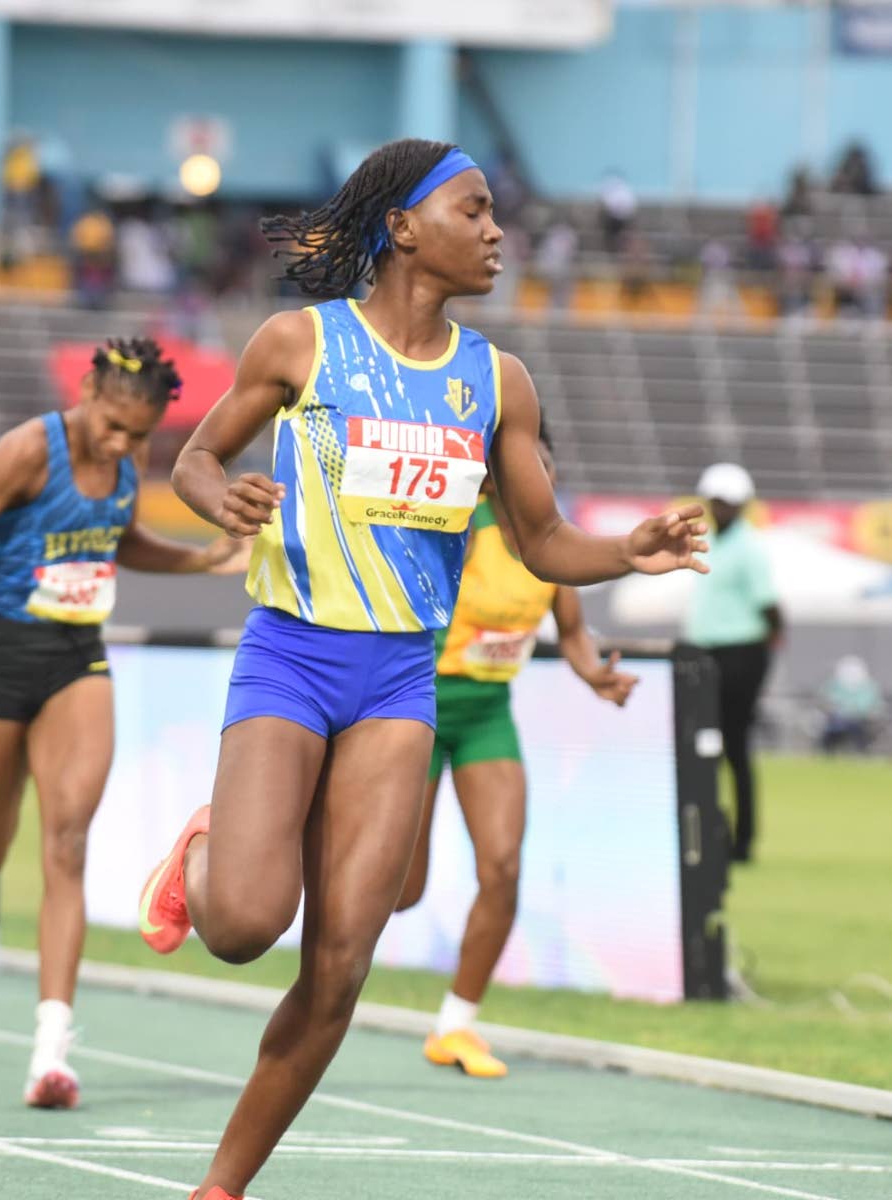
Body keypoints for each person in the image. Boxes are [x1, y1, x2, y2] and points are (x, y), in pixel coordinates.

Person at [138, 139, 708, 1200]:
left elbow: (542, 542)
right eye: (474, 210)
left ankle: (220, 1188)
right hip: (292, 655)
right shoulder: (297, 343)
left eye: (495, 215)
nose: (497, 232)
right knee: (245, 927)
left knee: (343, 962)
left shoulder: (498, 382)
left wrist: (625, 550)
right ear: (401, 226)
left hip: (401, 678)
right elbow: (193, 457)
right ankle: (205, 854)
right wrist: (214, 495)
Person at [0, 338, 248, 1109]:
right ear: (86, 394)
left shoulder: (130, 461)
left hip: (78, 658)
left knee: (68, 842)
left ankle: (52, 1053)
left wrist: (199, 559)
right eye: (113, 427)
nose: (123, 445)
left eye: (139, 436)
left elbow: (118, 542)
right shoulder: (26, 452)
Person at [396, 429, 639, 1078]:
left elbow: (574, 635)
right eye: (530, 478)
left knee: (501, 866)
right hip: (417, 706)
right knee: (401, 891)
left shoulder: (552, 552)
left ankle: (455, 1027)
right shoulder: (463, 530)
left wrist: (595, 676)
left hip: (486, 717)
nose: (543, 491)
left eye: (550, 476)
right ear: (495, 482)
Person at [686, 463, 782, 864]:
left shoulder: (750, 547)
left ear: (740, 506)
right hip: (706, 655)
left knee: (735, 747)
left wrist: (760, 663)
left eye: (727, 503)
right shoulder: (714, 543)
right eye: (716, 502)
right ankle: (712, 831)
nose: (720, 509)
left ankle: (742, 841)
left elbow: (772, 610)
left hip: (740, 654)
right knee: (703, 746)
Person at [818, 655, 885, 754]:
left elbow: (872, 707)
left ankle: (861, 753)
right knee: (832, 730)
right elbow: (826, 701)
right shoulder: (834, 685)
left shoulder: (869, 687)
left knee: (859, 731)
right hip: (837, 721)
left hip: (861, 722)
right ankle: (827, 753)